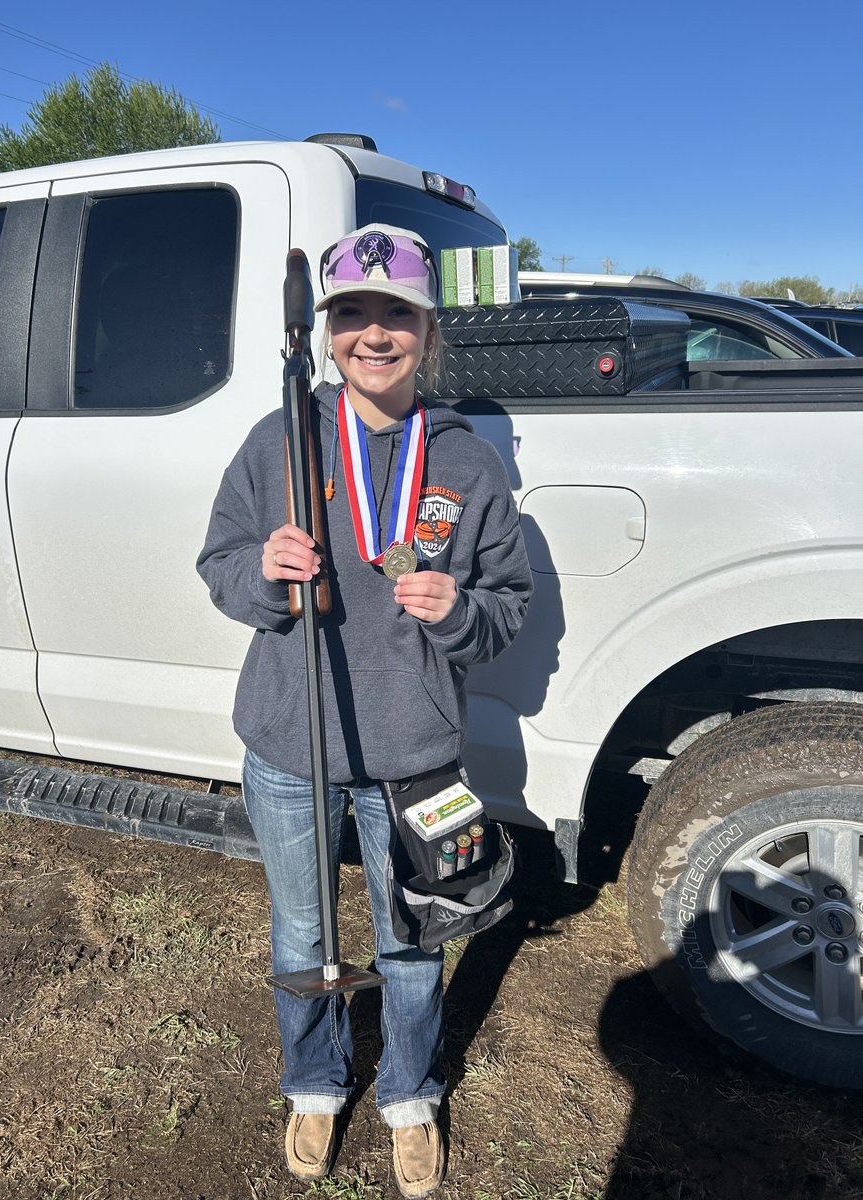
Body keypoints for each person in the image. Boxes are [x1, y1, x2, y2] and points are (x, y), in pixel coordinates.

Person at [197, 224, 532, 1197]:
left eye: (397, 315)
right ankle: (313, 1083)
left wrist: (459, 611)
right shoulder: (285, 436)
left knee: (414, 940)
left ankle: (408, 1097)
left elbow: (506, 606)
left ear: (428, 332)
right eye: (352, 313)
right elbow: (222, 562)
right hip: (289, 746)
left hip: (414, 757)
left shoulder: (465, 463)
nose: (373, 334)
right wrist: (262, 574)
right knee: (304, 935)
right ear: (326, 327)